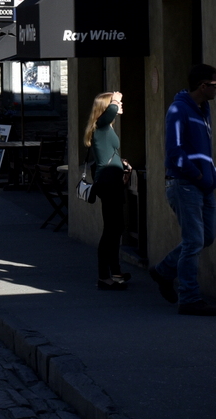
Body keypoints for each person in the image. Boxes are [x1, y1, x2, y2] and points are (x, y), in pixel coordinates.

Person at [150, 63, 216, 316]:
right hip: (184, 184)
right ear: (203, 86)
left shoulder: (203, 109)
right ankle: (189, 298)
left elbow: (201, 148)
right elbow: (175, 152)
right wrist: (199, 175)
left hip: (204, 184)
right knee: (193, 241)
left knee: (207, 237)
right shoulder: (178, 110)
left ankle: (163, 271)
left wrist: (210, 176)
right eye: (215, 84)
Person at [84, 91, 133, 290]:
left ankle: (116, 271)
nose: (120, 105)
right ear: (106, 107)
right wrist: (115, 98)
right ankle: (104, 277)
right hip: (108, 184)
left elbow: (108, 154)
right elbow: (112, 110)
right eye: (117, 104)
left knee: (117, 228)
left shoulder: (106, 128)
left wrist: (121, 164)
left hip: (113, 182)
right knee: (111, 230)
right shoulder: (102, 126)